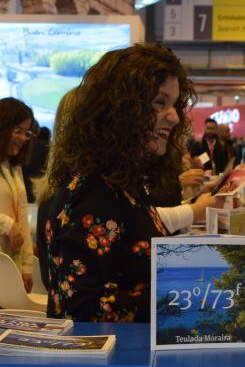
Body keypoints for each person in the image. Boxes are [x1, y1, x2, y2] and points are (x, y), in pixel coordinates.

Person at [42, 43, 213, 322]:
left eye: (174, 104)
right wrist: (182, 299)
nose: (174, 117)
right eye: (160, 103)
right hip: (111, 350)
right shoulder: (94, 192)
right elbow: (85, 309)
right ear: (122, 111)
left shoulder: (118, 184)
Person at [0, 97, 35, 293]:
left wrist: (27, 267)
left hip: (10, 265)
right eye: (17, 130)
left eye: (27, 132)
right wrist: (6, 224)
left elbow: (22, 216)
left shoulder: (14, 166)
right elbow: (12, 223)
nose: (23, 138)